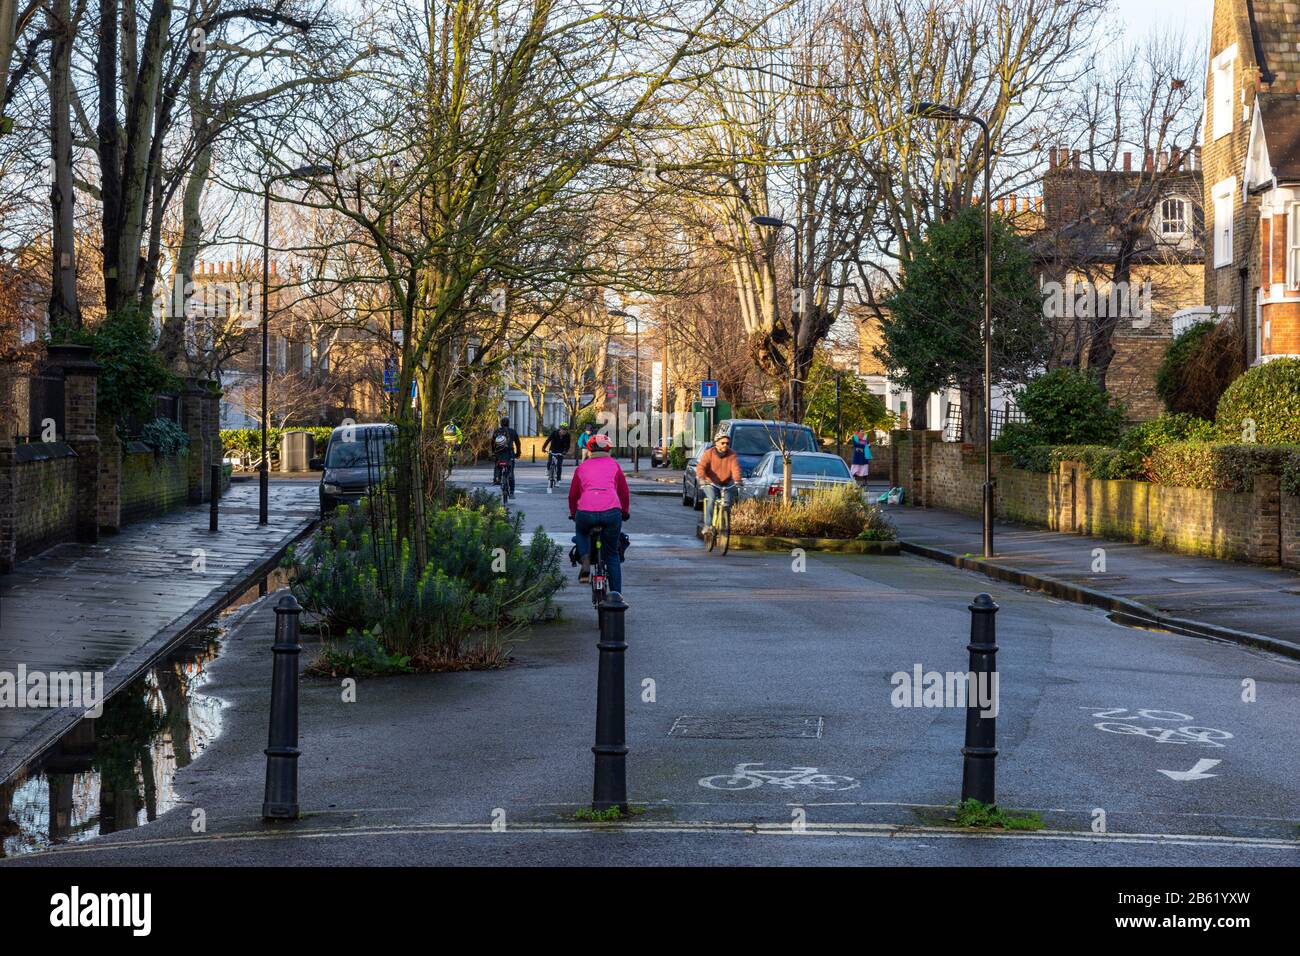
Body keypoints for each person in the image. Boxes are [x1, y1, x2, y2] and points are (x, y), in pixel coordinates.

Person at [568, 432, 630, 593]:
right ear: (608, 449)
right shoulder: (614, 465)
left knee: (581, 532)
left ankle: (585, 559)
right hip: (611, 512)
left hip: (586, 512)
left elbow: (573, 495)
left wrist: (574, 513)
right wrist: (625, 511)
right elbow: (624, 492)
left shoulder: (582, 467)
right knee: (611, 554)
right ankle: (616, 595)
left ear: (590, 450)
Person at [695, 431, 742, 537]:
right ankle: (708, 526)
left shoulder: (732, 454)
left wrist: (737, 480)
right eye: (723, 443)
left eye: (727, 443)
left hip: (726, 483)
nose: (725, 445)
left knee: (727, 503)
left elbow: (735, 468)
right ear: (716, 443)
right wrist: (702, 477)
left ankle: (724, 525)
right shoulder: (709, 453)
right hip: (710, 482)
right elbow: (701, 466)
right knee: (711, 499)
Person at [490, 416, 521, 491]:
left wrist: (493, 452)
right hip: (510, 454)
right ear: (508, 423)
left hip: (499, 453)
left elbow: (492, 443)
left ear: (501, 423)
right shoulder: (513, 431)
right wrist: (518, 453)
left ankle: (497, 478)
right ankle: (512, 492)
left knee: (497, 466)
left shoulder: (496, 431)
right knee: (511, 472)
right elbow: (518, 443)